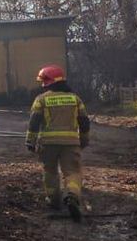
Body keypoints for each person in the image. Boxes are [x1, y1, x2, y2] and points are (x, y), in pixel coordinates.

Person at [26, 64, 90, 221]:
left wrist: (30, 141)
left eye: (44, 81)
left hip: (48, 144)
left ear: (50, 82)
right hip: (71, 143)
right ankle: (72, 195)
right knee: (72, 171)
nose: (42, 84)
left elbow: (34, 122)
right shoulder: (75, 99)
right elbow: (84, 122)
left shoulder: (41, 99)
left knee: (50, 171)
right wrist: (84, 140)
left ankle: (54, 201)